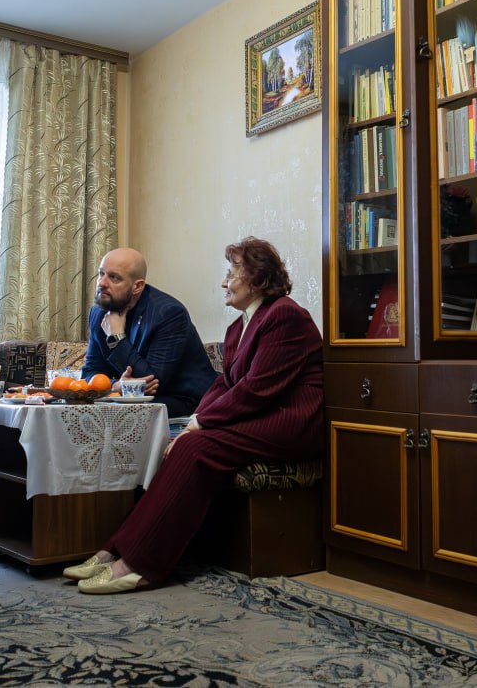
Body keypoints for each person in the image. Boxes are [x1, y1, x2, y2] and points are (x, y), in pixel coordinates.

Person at [65, 237, 323, 593]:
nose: (224, 281)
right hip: (259, 419)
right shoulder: (239, 327)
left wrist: (198, 424)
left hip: (291, 423)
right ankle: (116, 550)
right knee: (181, 444)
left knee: (191, 448)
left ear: (258, 279)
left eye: (232, 273)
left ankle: (139, 564)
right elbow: (223, 385)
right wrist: (192, 424)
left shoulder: (284, 315)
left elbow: (256, 390)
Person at [80, 247, 217, 418]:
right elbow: (89, 373)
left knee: (121, 413)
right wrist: (116, 386)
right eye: (101, 274)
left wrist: (117, 338)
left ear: (137, 286)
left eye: (114, 277)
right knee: (82, 406)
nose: (102, 283)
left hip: (182, 400)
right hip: (132, 399)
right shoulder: (99, 312)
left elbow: (153, 382)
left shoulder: (169, 314)